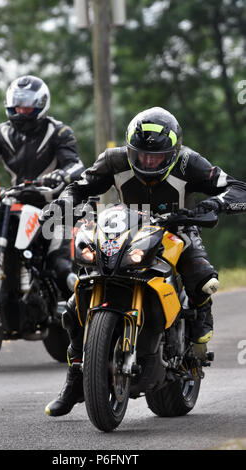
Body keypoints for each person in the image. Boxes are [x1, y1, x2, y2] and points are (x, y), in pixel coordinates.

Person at [39, 106, 246, 417]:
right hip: (124, 229)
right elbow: (78, 187)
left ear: (173, 152)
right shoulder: (113, 159)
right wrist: (63, 205)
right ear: (129, 149)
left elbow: (239, 188)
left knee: (203, 277)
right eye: (142, 155)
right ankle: (75, 378)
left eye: (157, 157)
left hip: (177, 227)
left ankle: (200, 317)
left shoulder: (190, 162)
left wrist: (212, 204)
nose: (149, 162)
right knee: (72, 308)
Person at [0, 75, 85, 299]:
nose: (21, 110)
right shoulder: (0, 133)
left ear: (40, 105)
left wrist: (60, 175)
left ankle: (74, 306)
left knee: (59, 265)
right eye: (17, 105)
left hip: (57, 205)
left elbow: (75, 165)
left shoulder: (59, 132)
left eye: (27, 106)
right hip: (17, 203)